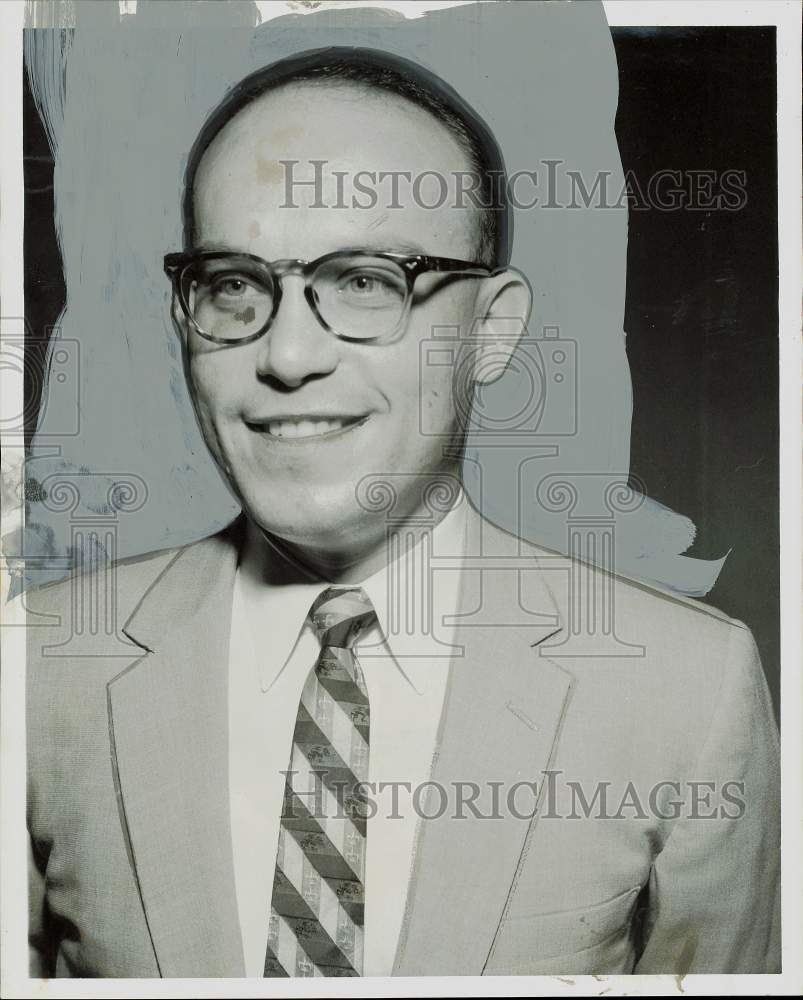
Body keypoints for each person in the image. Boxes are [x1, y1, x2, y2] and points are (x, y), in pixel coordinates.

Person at [26, 48, 780, 979]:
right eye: (233, 284)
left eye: (366, 281)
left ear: (492, 332)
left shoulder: (687, 690)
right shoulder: (34, 666)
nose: (289, 355)